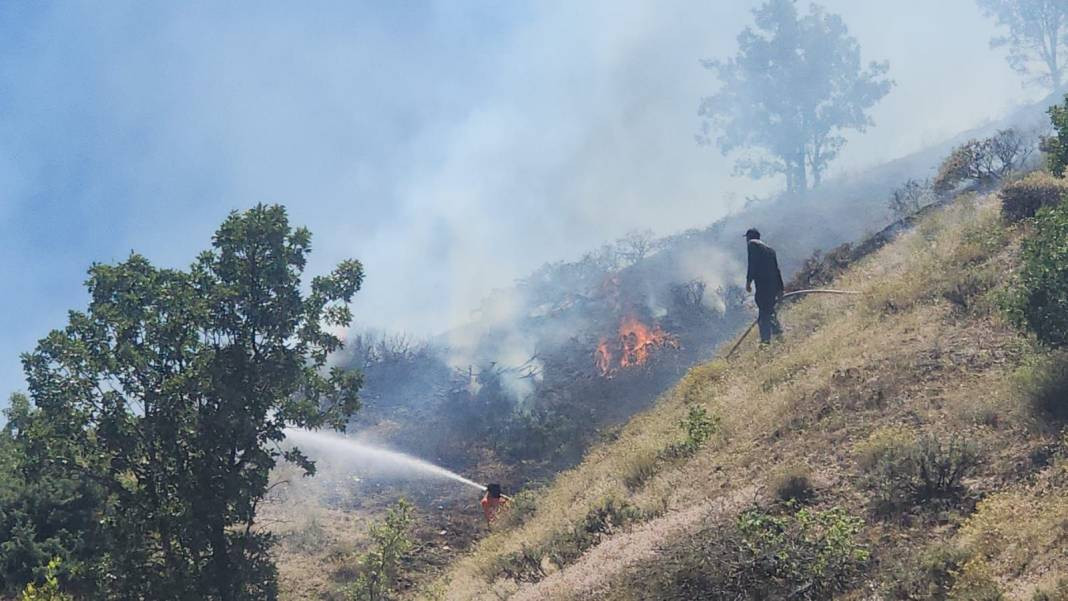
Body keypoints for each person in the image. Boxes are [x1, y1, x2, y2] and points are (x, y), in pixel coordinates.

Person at [745, 228, 784, 344]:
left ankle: (765, 342)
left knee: (763, 315)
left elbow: (752, 263)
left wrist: (748, 281)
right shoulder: (770, 250)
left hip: (762, 285)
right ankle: (779, 335)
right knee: (770, 311)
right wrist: (780, 288)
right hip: (773, 286)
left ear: (749, 237)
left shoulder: (752, 244)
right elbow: (777, 270)